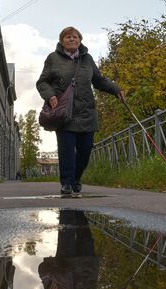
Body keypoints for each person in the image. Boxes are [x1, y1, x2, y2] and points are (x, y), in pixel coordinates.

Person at [36, 27, 125, 195]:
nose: (72, 39)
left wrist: (115, 90)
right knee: (67, 150)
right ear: (62, 41)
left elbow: (99, 80)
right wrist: (50, 96)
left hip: (86, 112)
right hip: (64, 112)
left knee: (85, 149)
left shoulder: (87, 59)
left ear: (80, 40)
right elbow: (42, 82)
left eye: (75, 37)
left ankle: (76, 178)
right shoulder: (53, 58)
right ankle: (67, 184)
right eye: (68, 37)